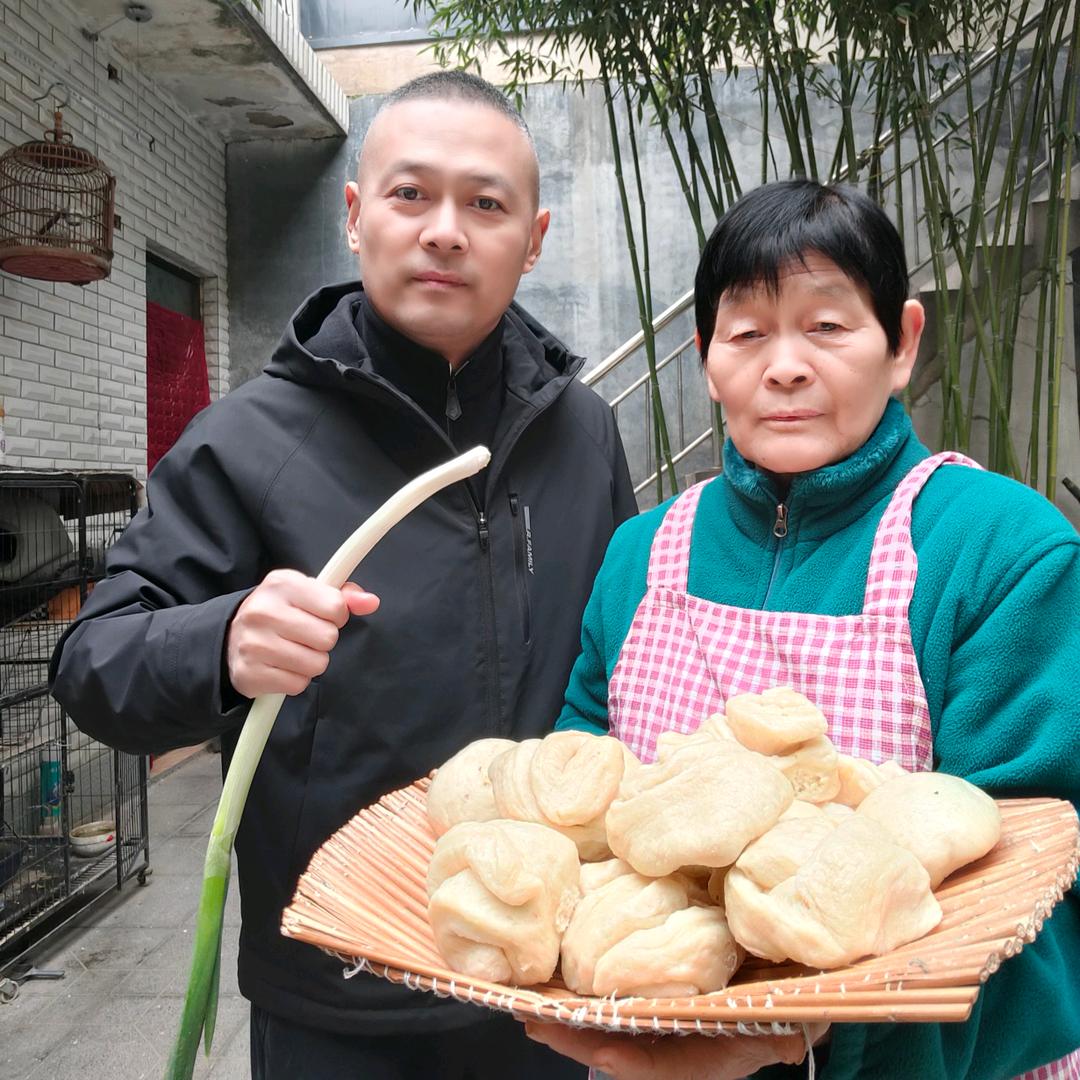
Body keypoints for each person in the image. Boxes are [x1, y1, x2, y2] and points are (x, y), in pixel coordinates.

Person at [50, 71, 636, 1079]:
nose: (446, 231)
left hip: (550, 975)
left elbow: (632, 653)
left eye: (485, 204)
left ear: (532, 240)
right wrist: (222, 641)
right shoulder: (248, 440)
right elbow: (93, 662)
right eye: (411, 195)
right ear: (357, 217)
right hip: (342, 988)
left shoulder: (582, 429)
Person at [536, 180, 1080, 1080]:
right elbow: (578, 805)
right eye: (747, 334)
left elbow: (1036, 890)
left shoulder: (1002, 550)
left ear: (903, 343)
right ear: (708, 359)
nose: (784, 366)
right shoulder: (639, 555)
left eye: (827, 327)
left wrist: (807, 1035)